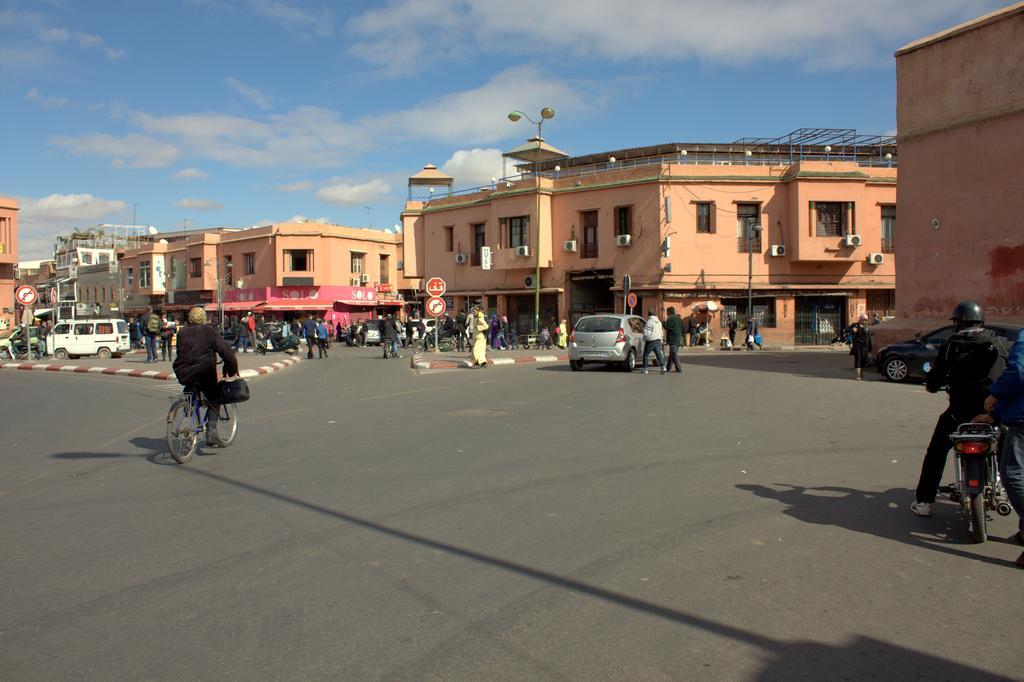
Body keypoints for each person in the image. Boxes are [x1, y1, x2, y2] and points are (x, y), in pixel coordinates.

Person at [911, 301, 1009, 517]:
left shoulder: (950, 345)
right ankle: (1004, 488)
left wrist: (931, 386)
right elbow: (1010, 372)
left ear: (958, 322)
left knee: (936, 452)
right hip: (991, 415)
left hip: (958, 414)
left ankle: (924, 501)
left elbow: (935, 376)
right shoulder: (997, 342)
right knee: (1008, 448)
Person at [172, 306, 239, 442]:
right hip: (204, 373)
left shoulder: (182, 332)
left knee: (191, 389)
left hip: (184, 373)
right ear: (203, 318)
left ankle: (187, 409)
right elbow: (226, 352)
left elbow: (181, 354)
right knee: (215, 397)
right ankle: (211, 431)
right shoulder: (208, 331)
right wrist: (231, 369)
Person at [641, 309, 666, 374]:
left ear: (649, 314)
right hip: (658, 340)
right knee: (658, 354)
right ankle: (663, 366)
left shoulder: (649, 321)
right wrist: (661, 340)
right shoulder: (659, 322)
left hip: (651, 340)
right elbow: (661, 332)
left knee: (645, 355)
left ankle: (645, 369)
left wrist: (645, 338)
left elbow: (646, 332)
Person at [849, 314, 872, 380]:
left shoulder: (867, 328)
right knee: (858, 360)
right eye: (863, 320)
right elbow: (847, 331)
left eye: (866, 320)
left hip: (865, 347)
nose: (864, 321)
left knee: (863, 361)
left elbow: (869, 338)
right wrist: (852, 331)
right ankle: (858, 375)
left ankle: (861, 373)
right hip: (857, 346)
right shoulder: (855, 325)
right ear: (860, 319)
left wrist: (870, 347)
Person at [664, 306, 684, 373]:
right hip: (679, 339)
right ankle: (668, 368)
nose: (666, 313)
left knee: (674, 354)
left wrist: (663, 324)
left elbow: (668, 327)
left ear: (669, 312)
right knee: (672, 354)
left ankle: (679, 368)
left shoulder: (670, 318)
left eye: (667, 312)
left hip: (673, 339)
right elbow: (683, 328)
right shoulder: (679, 318)